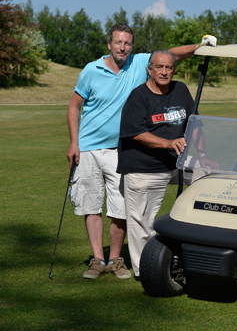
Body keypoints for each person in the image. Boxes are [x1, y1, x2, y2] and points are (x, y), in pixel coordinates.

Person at [66, 23, 216, 279]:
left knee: (119, 208)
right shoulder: (92, 70)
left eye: (127, 43)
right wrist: (74, 142)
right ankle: (98, 260)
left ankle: (115, 260)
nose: (122, 47)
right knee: (92, 205)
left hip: (120, 148)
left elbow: (171, 55)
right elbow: (74, 106)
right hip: (90, 145)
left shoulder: (140, 62)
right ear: (109, 44)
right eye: (118, 42)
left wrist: (201, 47)